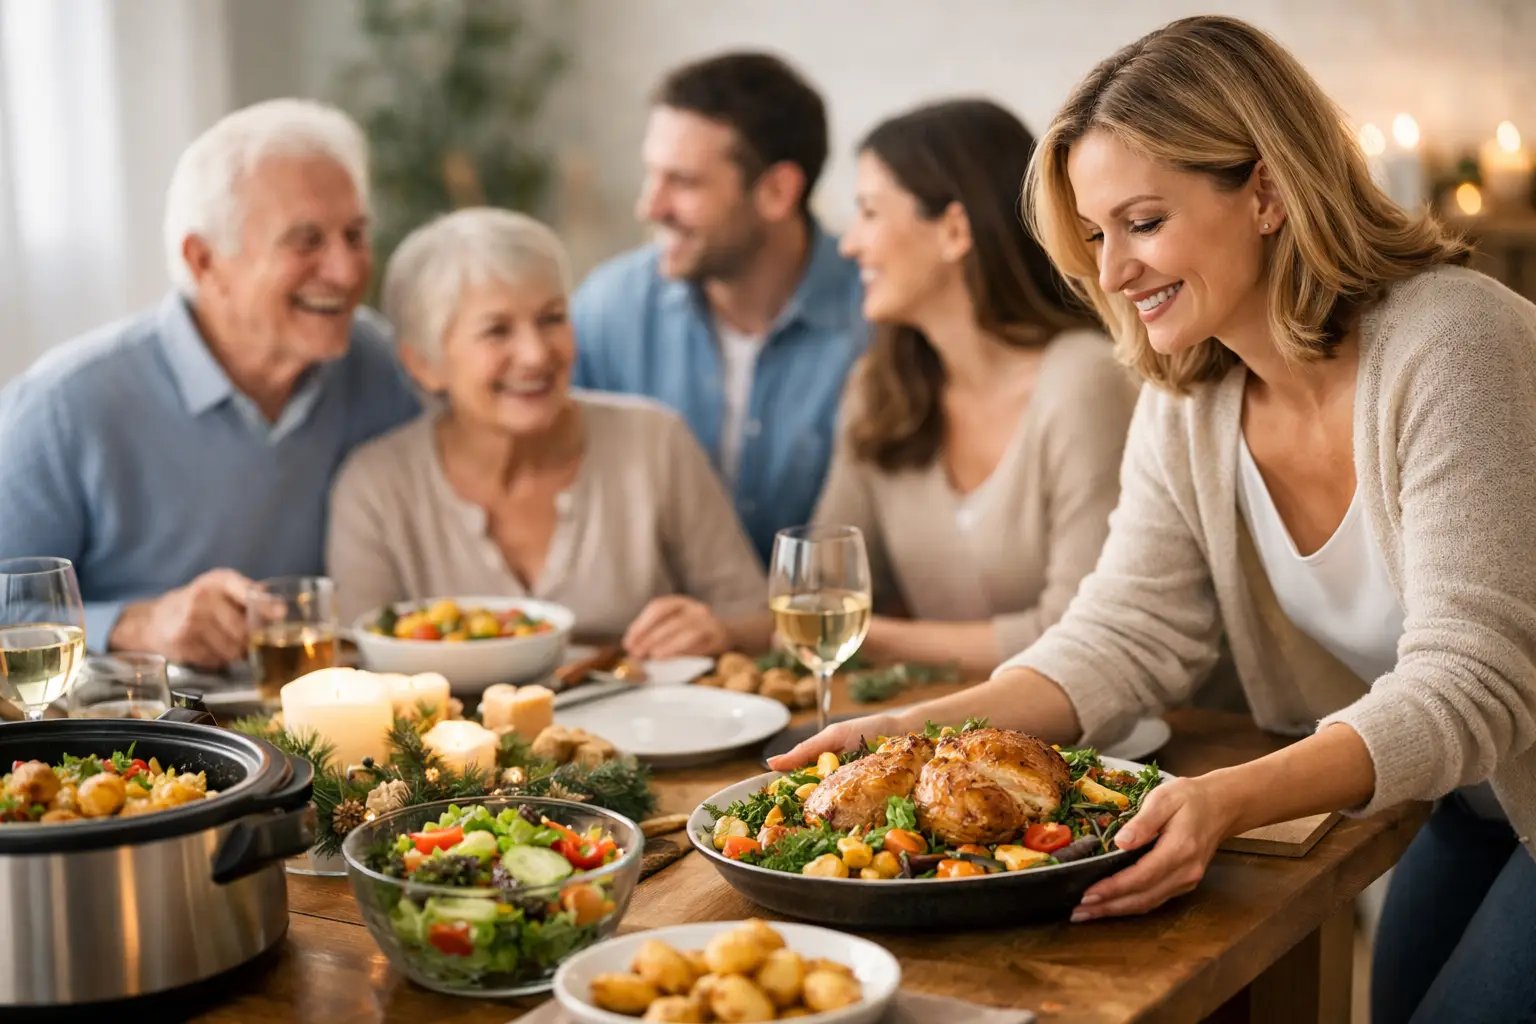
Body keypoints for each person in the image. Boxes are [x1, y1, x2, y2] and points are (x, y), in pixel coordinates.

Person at [771, 17, 1536, 1024]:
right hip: (1473, 792)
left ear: (1265, 191)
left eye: (1142, 222)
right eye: (1095, 236)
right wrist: (917, 732)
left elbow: (1475, 676)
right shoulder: (1192, 396)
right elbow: (1127, 631)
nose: (1113, 272)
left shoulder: (1453, 340)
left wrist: (1227, 799)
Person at [0, 99, 419, 669]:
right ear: (204, 261)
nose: (347, 272)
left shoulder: (382, 367)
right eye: (306, 241)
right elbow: (8, 606)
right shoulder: (64, 406)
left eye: (355, 234)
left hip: (327, 718)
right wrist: (135, 623)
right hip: (130, 740)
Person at [327, 208, 769, 659]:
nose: (536, 355)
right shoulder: (375, 488)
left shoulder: (655, 442)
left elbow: (762, 617)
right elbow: (354, 665)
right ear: (425, 363)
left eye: (552, 318)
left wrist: (719, 632)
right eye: (497, 331)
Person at [814, 99, 1136, 678]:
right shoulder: (878, 388)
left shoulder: (1083, 380)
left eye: (868, 213)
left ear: (954, 230)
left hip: (1121, 746)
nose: (849, 245)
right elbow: (820, 580)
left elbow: (1074, 634)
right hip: (945, 742)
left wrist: (866, 634)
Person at [571, 51, 866, 562]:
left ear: (776, 191)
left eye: (682, 182)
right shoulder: (606, 310)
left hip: (829, 634)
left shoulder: (878, 320)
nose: (650, 207)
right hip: (645, 636)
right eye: (652, 175)